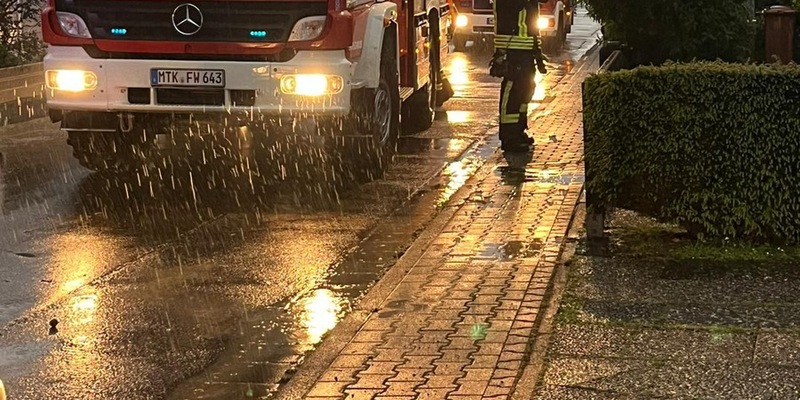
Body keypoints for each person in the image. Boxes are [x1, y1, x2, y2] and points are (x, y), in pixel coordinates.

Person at [490, 0, 547, 153]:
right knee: (513, 93)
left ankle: (519, 130)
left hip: (526, 48)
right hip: (513, 48)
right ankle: (509, 137)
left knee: (526, 91)